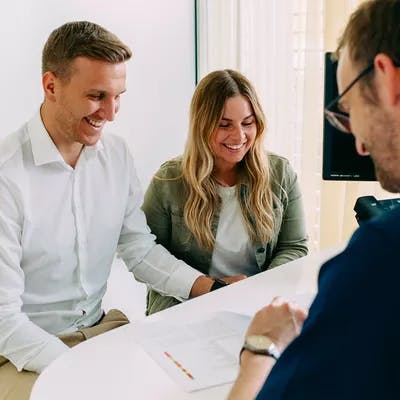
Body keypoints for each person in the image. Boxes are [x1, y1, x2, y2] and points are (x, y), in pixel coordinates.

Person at [0, 21, 226, 400]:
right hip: (19, 353)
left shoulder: (116, 155)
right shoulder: (7, 176)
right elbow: (4, 320)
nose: (111, 112)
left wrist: (211, 288)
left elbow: (139, 249)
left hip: (99, 332)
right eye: (96, 96)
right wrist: (84, 370)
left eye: (118, 95)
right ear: (51, 86)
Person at [228, 1, 400, 399]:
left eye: (348, 110)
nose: (358, 144)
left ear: (388, 79)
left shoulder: (382, 256)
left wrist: (260, 346)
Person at [142, 69, 308, 315]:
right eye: (224, 125)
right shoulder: (168, 181)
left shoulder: (281, 173)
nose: (239, 136)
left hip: (256, 304)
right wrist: (214, 290)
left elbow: (294, 247)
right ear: (202, 125)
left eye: (248, 123)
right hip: (185, 306)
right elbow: (148, 257)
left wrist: (258, 291)